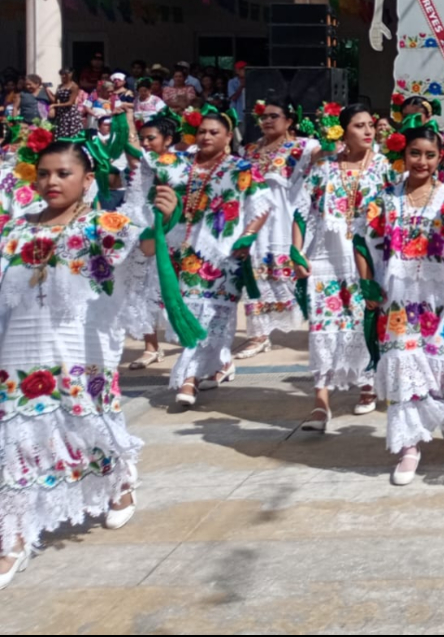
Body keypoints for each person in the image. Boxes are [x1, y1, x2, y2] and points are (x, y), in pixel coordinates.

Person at [0, 137, 167, 588]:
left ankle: (120, 481)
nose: (51, 181)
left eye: (63, 173)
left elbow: (145, 250)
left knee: (86, 424)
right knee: (13, 437)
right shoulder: (14, 228)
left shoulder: (102, 225)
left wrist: (162, 218)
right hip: (18, 349)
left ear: (87, 179)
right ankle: (13, 538)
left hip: (77, 347)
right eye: (44, 173)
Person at [356, 126, 444, 485]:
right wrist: (367, 285)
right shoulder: (385, 197)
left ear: (441, 157)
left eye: (429, 154)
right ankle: (409, 446)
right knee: (401, 362)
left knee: (436, 367)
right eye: (415, 153)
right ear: (403, 154)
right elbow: (361, 239)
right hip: (397, 297)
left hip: (443, 297)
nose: (421, 161)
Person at [164, 108, 271, 407]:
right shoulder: (180, 163)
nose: (207, 136)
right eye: (202, 131)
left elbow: (262, 205)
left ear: (227, 137)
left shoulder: (241, 168)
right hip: (183, 252)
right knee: (189, 311)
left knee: (210, 315)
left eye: (214, 132)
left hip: (223, 254)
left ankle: (189, 379)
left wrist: (248, 235)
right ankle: (220, 363)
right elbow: (144, 163)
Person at [296, 105, 391, 430]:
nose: (368, 131)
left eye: (370, 125)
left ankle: (367, 382)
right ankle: (320, 404)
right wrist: (296, 252)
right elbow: (302, 210)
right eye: (359, 125)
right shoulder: (324, 166)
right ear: (343, 131)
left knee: (364, 320)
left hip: (371, 255)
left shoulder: (384, 166)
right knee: (323, 328)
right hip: (327, 256)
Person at [236, 97, 319, 358]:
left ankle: (315, 327)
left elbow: (327, 152)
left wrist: (330, 134)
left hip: (285, 219)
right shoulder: (250, 150)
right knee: (255, 274)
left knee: (293, 275)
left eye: (274, 116)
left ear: (289, 121)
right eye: (264, 116)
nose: (268, 121)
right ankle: (258, 335)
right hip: (254, 216)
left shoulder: (301, 147)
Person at [123, 112, 182, 371]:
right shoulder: (143, 162)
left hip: (170, 228)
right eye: (143, 138)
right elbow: (131, 153)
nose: (146, 143)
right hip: (142, 224)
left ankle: (195, 347)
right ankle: (150, 347)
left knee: (171, 286)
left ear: (167, 139)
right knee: (141, 285)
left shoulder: (178, 164)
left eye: (151, 138)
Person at [50, 68, 83, 138]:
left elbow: (70, 102)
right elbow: (54, 100)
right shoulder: (60, 86)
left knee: (69, 134)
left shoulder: (74, 86)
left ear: (71, 74)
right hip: (61, 113)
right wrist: (47, 90)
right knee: (60, 134)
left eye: (65, 74)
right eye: (62, 75)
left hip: (70, 113)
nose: (63, 76)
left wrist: (54, 105)